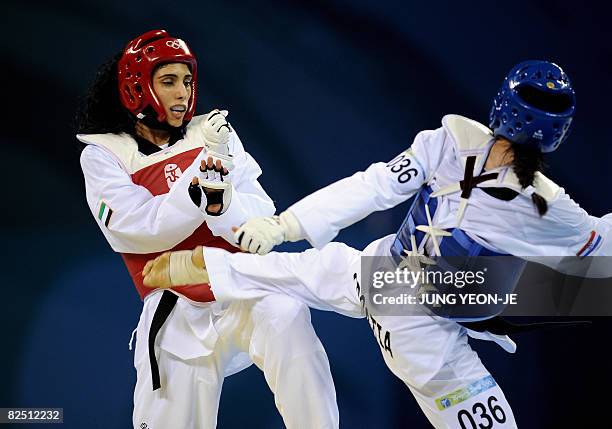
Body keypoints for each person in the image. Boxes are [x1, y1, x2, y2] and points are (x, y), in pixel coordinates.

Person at [142, 60, 612, 428]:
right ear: (558, 131)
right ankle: (206, 265)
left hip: (390, 285)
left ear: (501, 104)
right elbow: (375, 187)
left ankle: (204, 264)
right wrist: (283, 226)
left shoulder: (465, 152)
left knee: (304, 272)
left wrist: (283, 227)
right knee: (301, 273)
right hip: (417, 324)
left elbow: (373, 186)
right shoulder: (521, 188)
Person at [77, 29, 339, 429]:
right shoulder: (103, 154)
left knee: (288, 313)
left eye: (187, 81)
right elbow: (140, 229)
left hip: (241, 283)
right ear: (136, 88)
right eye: (168, 82)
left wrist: (222, 204)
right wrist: (201, 182)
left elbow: (261, 210)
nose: (183, 93)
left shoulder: (213, 133)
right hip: (174, 306)